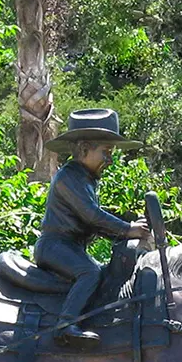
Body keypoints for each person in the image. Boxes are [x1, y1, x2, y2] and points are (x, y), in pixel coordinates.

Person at [35, 108, 151, 349]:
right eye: (106, 152)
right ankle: (65, 326)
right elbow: (92, 217)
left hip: (70, 247)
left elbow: (96, 223)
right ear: (85, 149)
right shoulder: (69, 177)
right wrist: (128, 229)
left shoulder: (85, 179)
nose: (109, 160)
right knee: (90, 272)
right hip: (55, 246)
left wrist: (128, 233)